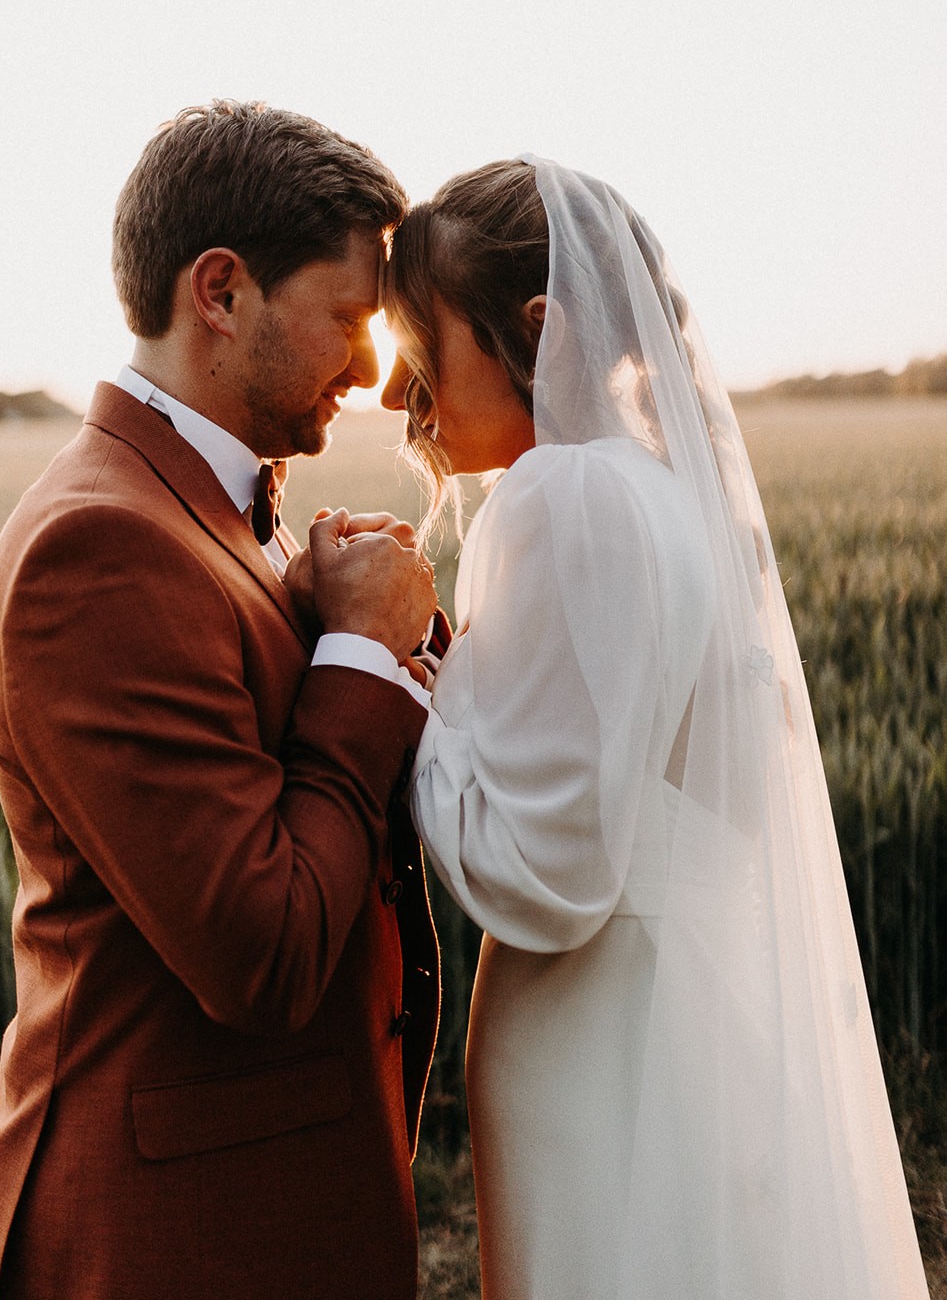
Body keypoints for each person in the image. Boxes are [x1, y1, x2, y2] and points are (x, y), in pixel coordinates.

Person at [382, 157, 929, 1300]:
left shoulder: (560, 495)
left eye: (421, 343)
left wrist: (391, 675)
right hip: (682, 1018)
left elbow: (546, 867)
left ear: (533, 329)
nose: (399, 391)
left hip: (602, 1047)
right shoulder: (667, 492)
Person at [0, 101, 441, 1300]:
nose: (375, 369)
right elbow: (262, 950)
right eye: (349, 315)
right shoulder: (99, 547)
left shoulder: (207, 504)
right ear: (219, 290)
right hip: (170, 1239)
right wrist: (359, 660)